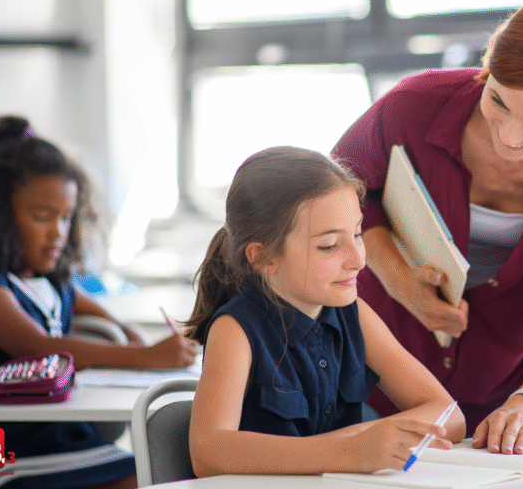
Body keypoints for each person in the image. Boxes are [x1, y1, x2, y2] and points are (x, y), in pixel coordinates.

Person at [332, 0, 523, 455]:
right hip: (365, 380)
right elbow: (336, 201)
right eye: (497, 100)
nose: (509, 137)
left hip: (498, 400)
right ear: (489, 65)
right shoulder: (411, 107)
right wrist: (398, 279)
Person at [0, 116, 198, 489]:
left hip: (61, 436)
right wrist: (146, 356)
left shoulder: (50, 281)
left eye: (65, 218)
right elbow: (38, 347)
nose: (57, 233)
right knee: (147, 478)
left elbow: (98, 313)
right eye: (42, 217)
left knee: (164, 471)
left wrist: (129, 333)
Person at [185, 146, 465, 476]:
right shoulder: (236, 329)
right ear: (263, 257)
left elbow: (449, 415)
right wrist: (349, 450)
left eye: (357, 234)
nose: (358, 260)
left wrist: (363, 442)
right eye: (329, 245)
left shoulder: (354, 314)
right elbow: (208, 453)